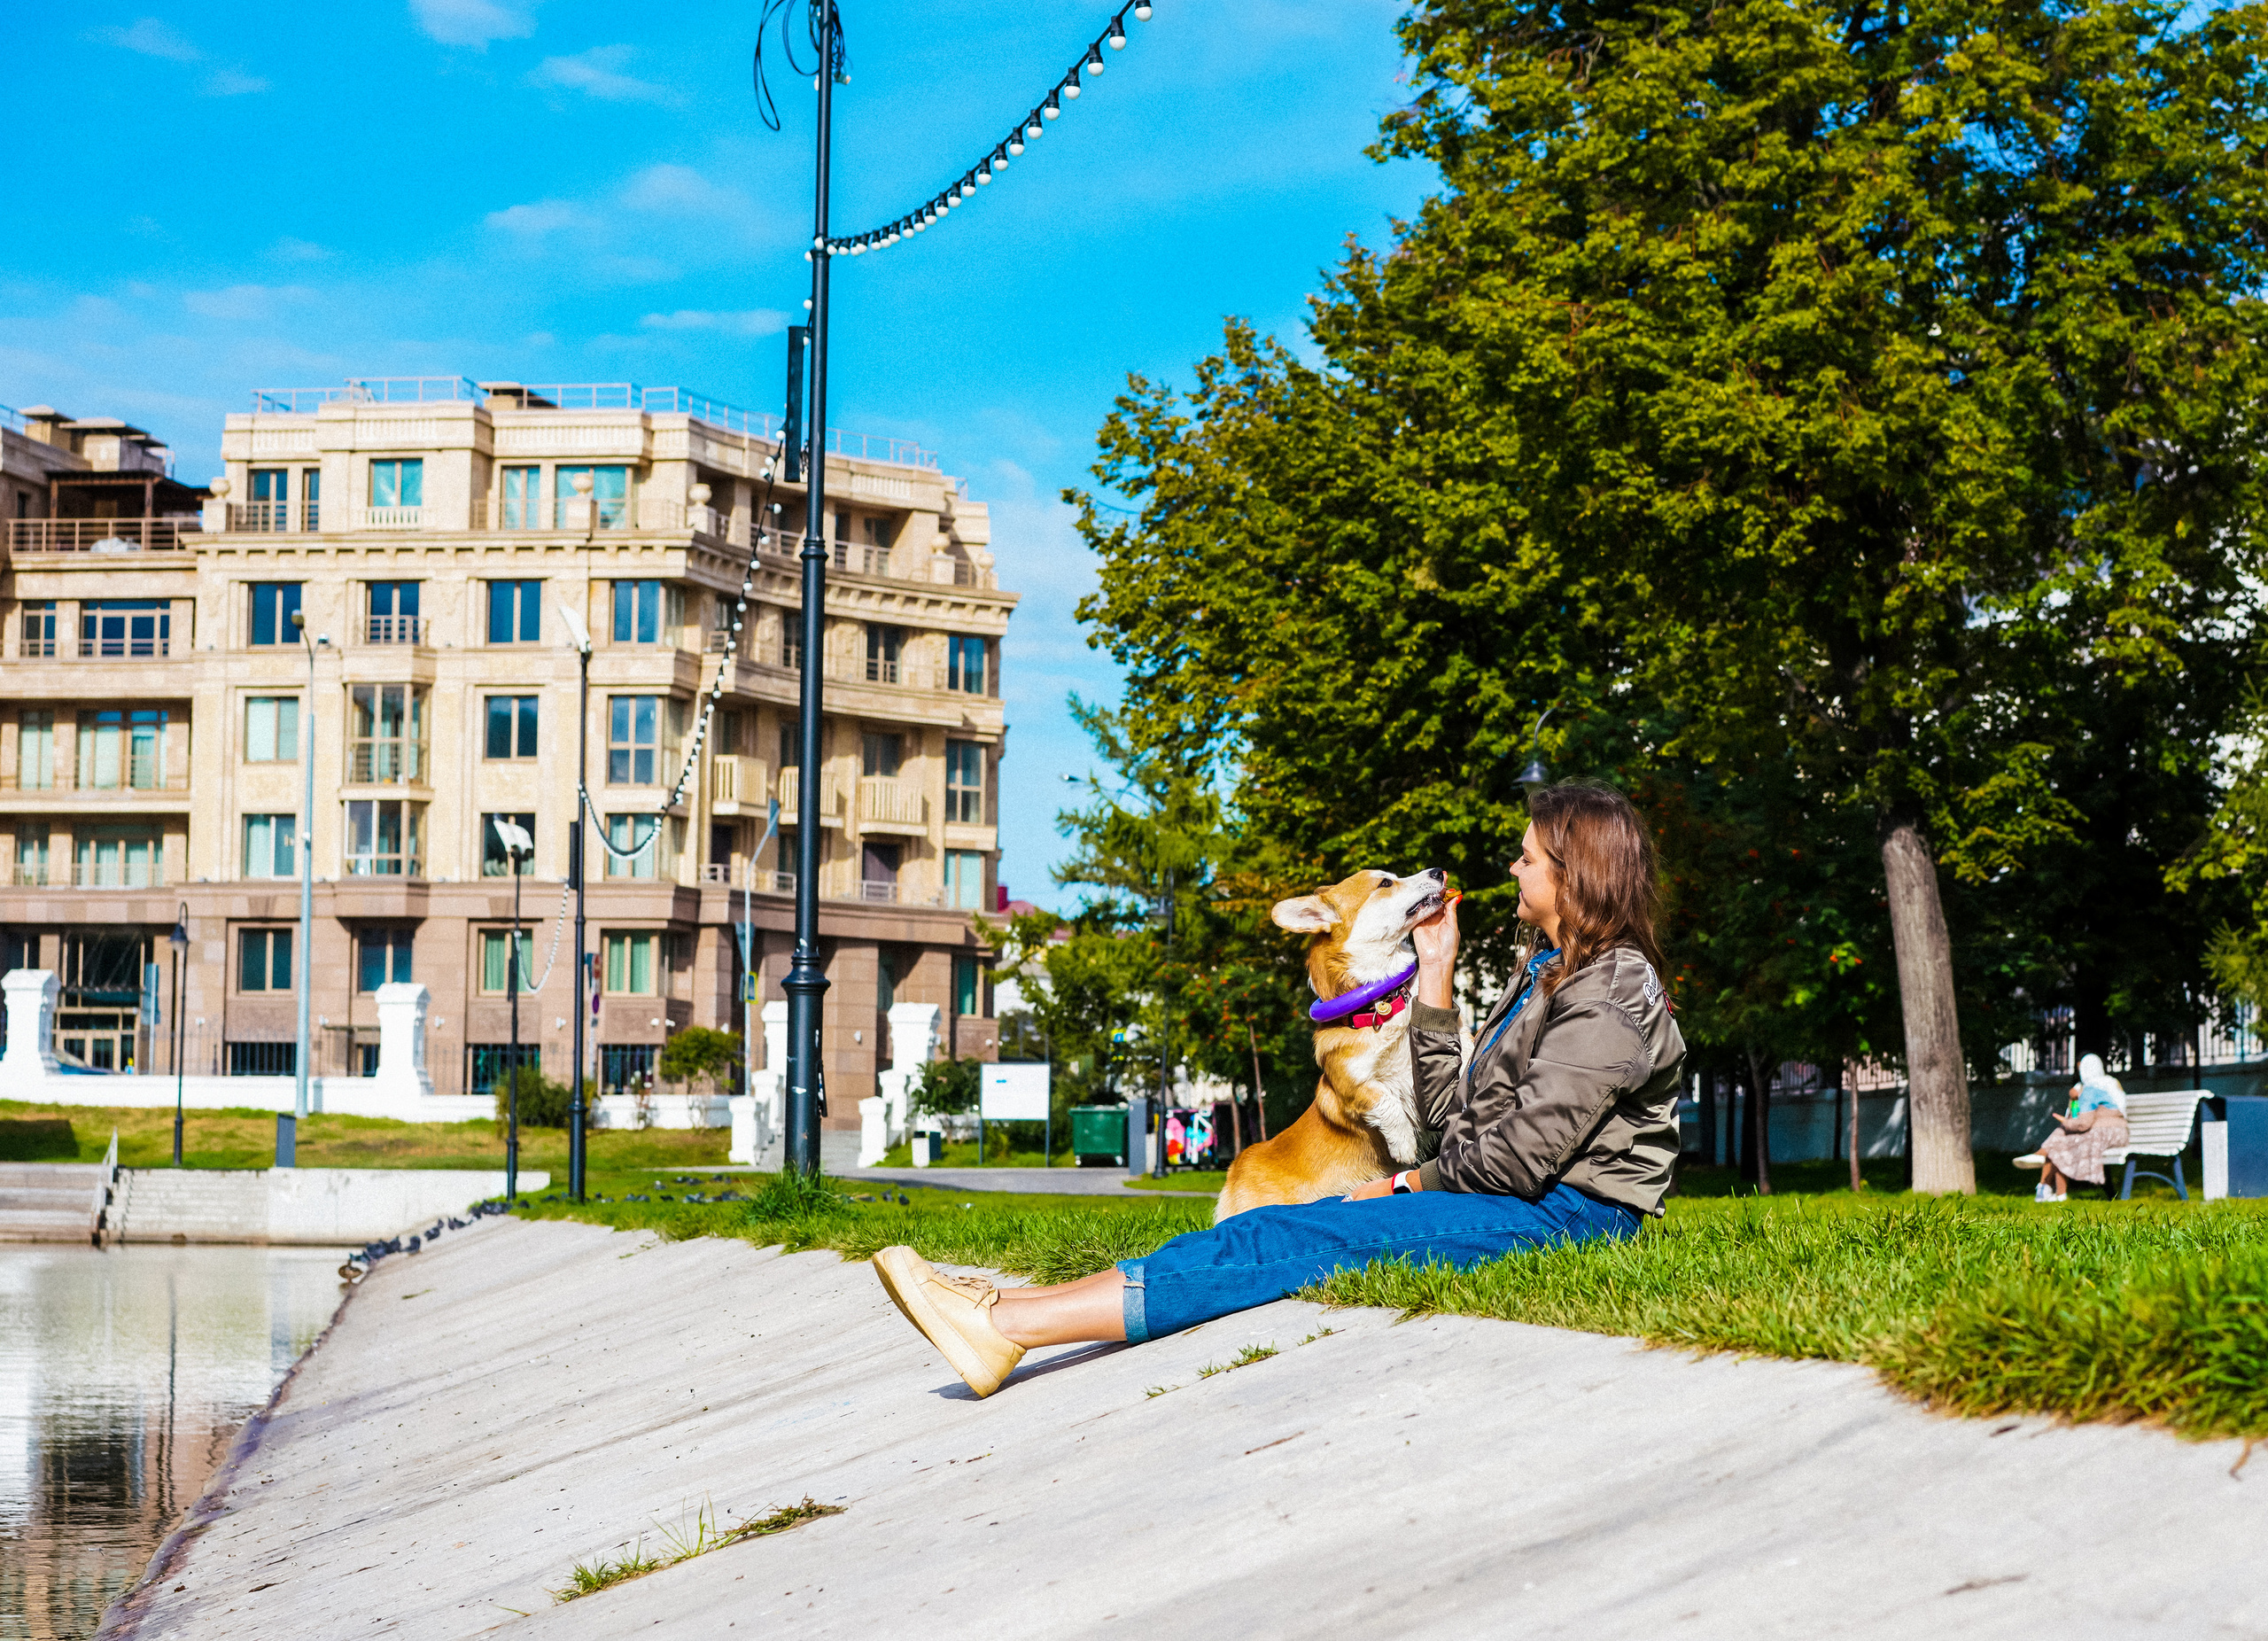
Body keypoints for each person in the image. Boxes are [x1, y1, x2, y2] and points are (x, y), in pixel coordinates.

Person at [872, 780, 1689, 1397]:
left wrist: (1403, 1184)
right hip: (1525, 1202)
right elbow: (1457, 1126)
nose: (1512, 866)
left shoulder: (1611, 989)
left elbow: (1513, 1162)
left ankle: (1007, 1325)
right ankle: (1012, 1306)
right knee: (1278, 1226)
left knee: (1291, 1238)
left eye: (1528, 857)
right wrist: (1436, 972)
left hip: (1573, 1220)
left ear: (1575, 875)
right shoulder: (1550, 973)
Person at [2015, 1053, 2128, 1204]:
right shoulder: (2109, 1083)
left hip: (2101, 1133)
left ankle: (2043, 1162)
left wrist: (2069, 1113)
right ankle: (2053, 1189)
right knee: (2062, 1140)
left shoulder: (2088, 1089)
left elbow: (2082, 1122)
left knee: (2061, 1141)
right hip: (2116, 1132)